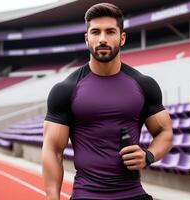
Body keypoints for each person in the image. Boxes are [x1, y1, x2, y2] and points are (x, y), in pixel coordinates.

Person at [42, 3, 173, 200]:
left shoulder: (144, 84)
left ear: (122, 38)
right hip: (86, 195)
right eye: (96, 32)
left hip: (133, 194)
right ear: (87, 39)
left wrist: (148, 155)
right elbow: (53, 150)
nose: (102, 39)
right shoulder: (65, 90)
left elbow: (165, 132)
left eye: (110, 31)